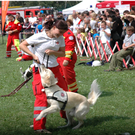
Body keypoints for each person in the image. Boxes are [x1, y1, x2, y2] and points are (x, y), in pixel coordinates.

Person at [19, 19, 68, 133]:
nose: (61, 35)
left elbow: (62, 53)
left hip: (55, 69)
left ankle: (67, 118)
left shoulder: (60, 38)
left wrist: (53, 52)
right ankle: (39, 126)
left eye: (63, 33)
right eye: (60, 32)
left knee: (64, 93)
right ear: (54, 27)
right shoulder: (39, 36)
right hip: (40, 70)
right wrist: (33, 55)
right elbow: (22, 45)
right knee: (41, 98)